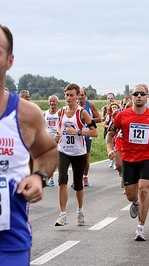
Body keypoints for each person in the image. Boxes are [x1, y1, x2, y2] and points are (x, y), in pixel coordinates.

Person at [0, 24, 58, 266]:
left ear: (9, 61)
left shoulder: (25, 114)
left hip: (8, 242)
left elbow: (47, 151)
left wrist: (38, 177)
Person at [106, 85, 149, 241]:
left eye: (142, 94)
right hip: (128, 159)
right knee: (131, 195)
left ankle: (140, 227)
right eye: (136, 94)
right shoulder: (122, 116)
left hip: (147, 158)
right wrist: (110, 149)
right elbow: (109, 135)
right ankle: (134, 202)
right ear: (132, 97)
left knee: (143, 190)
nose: (139, 96)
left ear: (146, 96)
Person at [54, 83, 98, 227]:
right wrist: (59, 132)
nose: (68, 98)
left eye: (72, 95)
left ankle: (80, 210)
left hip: (79, 152)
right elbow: (60, 125)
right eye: (67, 95)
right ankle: (63, 215)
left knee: (78, 184)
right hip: (63, 150)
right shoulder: (61, 111)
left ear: (77, 96)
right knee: (62, 180)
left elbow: (95, 132)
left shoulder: (82, 113)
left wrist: (78, 132)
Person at [77, 87, 102, 187]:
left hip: (87, 135)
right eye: (78, 95)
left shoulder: (90, 105)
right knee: (76, 158)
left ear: (85, 96)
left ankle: (85, 176)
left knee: (85, 158)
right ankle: (77, 178)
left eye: (82, 95)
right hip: (77, 134)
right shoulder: (72, 106)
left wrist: (88, 120)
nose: (80, 97)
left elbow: (99, 119)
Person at [43, 95, 60, 186]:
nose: (52, 103)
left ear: (57, 102)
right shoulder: (46, 113)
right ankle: (50, 178)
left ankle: (61, 176)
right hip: (48, 138)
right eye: (50, 101)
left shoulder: (60, 113)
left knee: (58, 158)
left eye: (54, 101)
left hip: (58, 138)